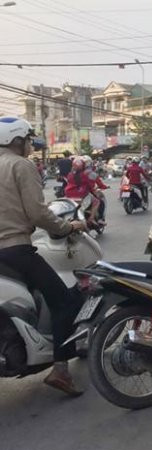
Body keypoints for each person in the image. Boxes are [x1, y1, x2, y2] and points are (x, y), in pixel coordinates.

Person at [0, 117, 87, 396]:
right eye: (27, 140)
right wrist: (67, 226)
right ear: (16, 140)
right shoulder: (20, 165)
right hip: (14, 248)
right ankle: (61, 369)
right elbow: (37, 213)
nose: (29, 146)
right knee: (64, 301)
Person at [65, 157, 103, 226]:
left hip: (68, 194)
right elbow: (90, 185)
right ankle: (91, 218)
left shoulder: (70, 174)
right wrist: (94, 191)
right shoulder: (85, 174)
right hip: (81, 194)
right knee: (97, 201)